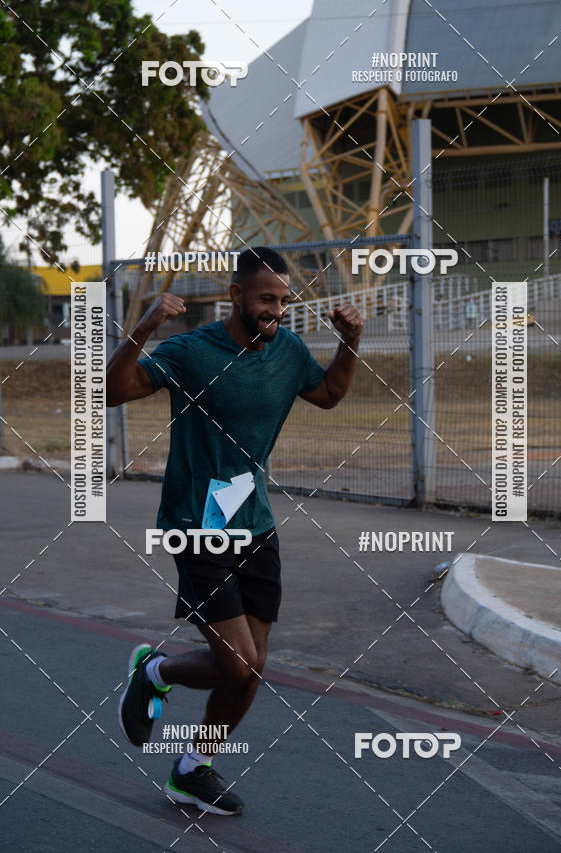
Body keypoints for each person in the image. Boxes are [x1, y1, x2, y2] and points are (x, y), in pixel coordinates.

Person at [107, 246, 363, 815]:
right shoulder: (191, 351)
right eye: (266, 298)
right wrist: (145, 328)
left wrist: (350, 342)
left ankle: (192, 770)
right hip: (199, 523)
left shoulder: (289, 350)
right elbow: (114, 390)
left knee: (253, 665)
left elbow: (329, 395)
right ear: (236, 296)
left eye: (283, 300)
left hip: (255, 522)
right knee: (237, 661)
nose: (276, 309)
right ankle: (155, 669)